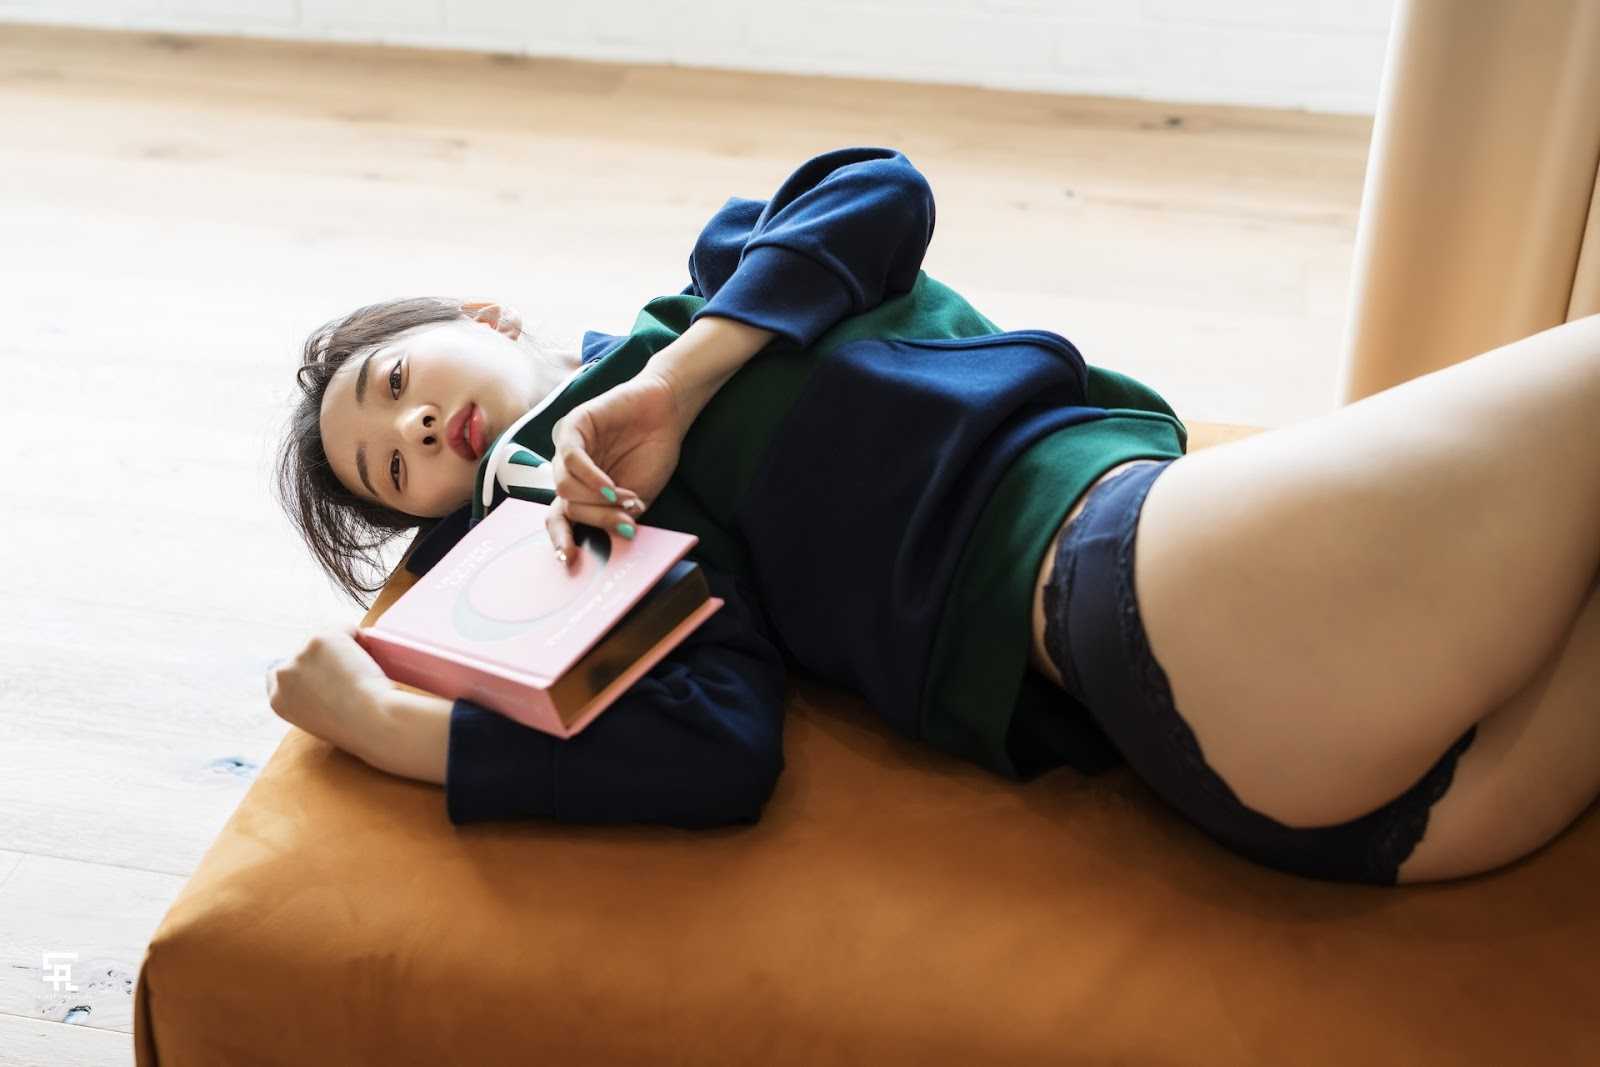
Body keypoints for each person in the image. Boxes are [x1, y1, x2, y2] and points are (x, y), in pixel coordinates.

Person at [269, 145, 1600, 887]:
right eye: (391, 471)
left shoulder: (732, 279)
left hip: (1339, 792)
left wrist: (680, 378)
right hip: (1152, 614)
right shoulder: (596, 531)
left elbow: (879, 190)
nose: (411, 429)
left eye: (394, 383)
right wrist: (391, 726)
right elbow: (715, 752)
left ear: (483, 315)